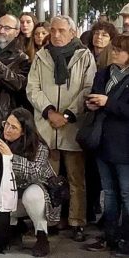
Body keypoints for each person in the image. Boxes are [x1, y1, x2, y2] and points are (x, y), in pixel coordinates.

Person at [26, 15, 96, 242]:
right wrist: (49, 112)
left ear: (73, 32)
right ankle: (51, 220)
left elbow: (88, 88)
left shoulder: (84, 56)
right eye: (53, 30)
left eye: (61, 31)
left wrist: (66, 115)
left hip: (72, 125)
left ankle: (77, 221)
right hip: (47, 125)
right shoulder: (41, 56)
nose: (56, 35)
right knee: (49, 177)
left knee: (76, 178)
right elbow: (32, 88)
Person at [0, 108, 58, 257]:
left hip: (32, 195)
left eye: (14, 127)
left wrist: (10, 157)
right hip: (7, 198)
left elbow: (34, 173)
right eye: (7, 124)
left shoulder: (39, 147)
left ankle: (42, 235)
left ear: (24, 131)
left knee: (33, 195)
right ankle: (16, 229)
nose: (7, 129)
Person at [84, 35, 129, 255]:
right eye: (114, 49)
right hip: (102, 140)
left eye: (120, 50)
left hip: (124, 145)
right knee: (109, 193)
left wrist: (108, 102)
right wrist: (91, 104)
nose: (115, 53)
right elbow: (94, 95)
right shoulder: (103, 73)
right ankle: (110, 236)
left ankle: (126, 239)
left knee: (126, 194)